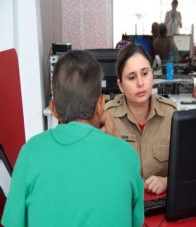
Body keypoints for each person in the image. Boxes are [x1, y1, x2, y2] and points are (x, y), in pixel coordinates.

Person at [1, 50, 144, 227]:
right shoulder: (127, 156)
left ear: (53, 109)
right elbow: (136, 221)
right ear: (100, 104)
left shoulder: (29, 153)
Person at [105, 44, 177, 195]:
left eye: (145, 73)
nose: (140, 83)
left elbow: (187, 166)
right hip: (123, 203)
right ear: (121, 86)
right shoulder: (108, 117)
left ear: (152, 74)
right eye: (131, 77)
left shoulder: (171, 114)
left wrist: (167, 181)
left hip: (161, 205)